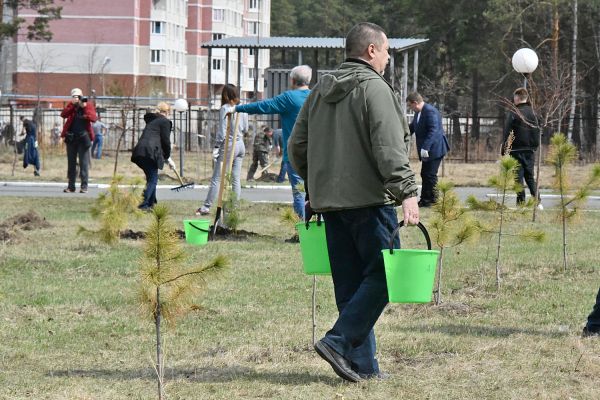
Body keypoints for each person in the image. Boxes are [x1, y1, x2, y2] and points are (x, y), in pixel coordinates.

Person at [289, 22, 420, 382]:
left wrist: (317, 187)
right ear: (371, 50)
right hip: (370, 203)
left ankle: (363, 367)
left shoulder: (318, 92)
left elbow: (297, 148)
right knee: (383, 277)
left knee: (350, 287)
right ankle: (338, 341)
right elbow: (390, 149)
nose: (390, 57)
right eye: (387, 50)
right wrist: (408, 192)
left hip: (330, 205)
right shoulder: (375, 90)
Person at [233, 65, 312, 219]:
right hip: (317, 155)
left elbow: (263, 106)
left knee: (299, 194)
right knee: (316, 195)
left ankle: (303, 231)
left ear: (293, 80)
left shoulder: (289, 98)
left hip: (295, 156)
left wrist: (238, 108)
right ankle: (318, 231)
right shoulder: (317, 96)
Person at [197, 84, 247, 215]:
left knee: (217, 178)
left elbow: (222, 131)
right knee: (235, 178)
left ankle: (206, 207)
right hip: (241, 144)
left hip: (229, 145)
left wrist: (217, 147)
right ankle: (234, 207)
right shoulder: (243, 109)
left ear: (225, 95)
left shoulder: (225, 108)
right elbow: (246, 128)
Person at [406, 92, 450, 207]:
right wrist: (402, 134)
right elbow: (412, 127)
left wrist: (425, 147)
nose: (410, 108)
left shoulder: (429, 111)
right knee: (425, 174)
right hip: (428, 150)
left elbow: (433, 130)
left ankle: (433, 200)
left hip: (435, 149)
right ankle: (425, 199)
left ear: (415, 103)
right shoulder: (419, 113)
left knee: (430, 174)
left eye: (410, 105)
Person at [502, 87, 541, 208]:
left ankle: (521, 203)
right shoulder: (534, 113)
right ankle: (537, 201)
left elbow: (508, 131)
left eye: (514, 97)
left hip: (516, 150)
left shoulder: (514, 112)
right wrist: (534, 146)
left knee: (518, 178)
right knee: (530, 177)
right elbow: (539, 130)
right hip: (530, 151)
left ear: (517, 98)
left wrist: (504, 148)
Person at [131, 102, 174, 210]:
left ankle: (151, 203)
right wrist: (167, 156)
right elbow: (165, 141)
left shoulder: (153, 121)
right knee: (153, 179)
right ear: (167, 112)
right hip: (149, 152)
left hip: (141, 151)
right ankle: (143, 204)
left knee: (151, 178)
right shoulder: (164, 122)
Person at [60, 88, 97, 193]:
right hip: (71, 138)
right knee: (71, 163)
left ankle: (84, 186)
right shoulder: (71, 105)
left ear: (82, 96)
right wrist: (72, 105)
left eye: (78, 96)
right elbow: (63, 115)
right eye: (74, 97)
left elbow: (93, 118)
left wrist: (84, 108)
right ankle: (71, 186)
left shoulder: (87, 105)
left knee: (83, 163)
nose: (76, 98)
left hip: (83, 138)